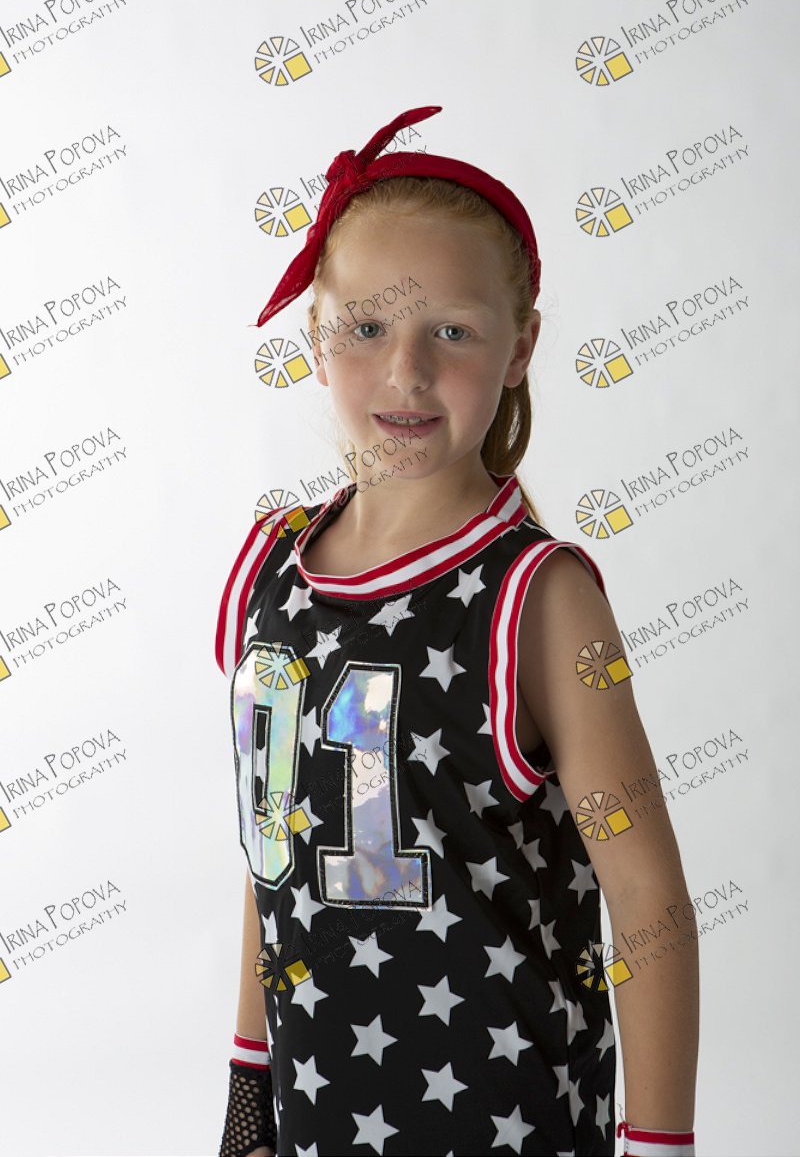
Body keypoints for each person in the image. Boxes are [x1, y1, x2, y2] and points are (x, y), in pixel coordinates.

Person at [215, 105, 699, 1157]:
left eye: (451, 331)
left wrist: (661, 1148)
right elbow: (270, 860)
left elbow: (648, 900)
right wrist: (249, 1094)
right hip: (316, 1120)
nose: (406, 371)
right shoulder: (267, 570)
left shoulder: (541, 597)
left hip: (509, 1121)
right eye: (366, 328)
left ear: (520, 345)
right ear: (314, 338)